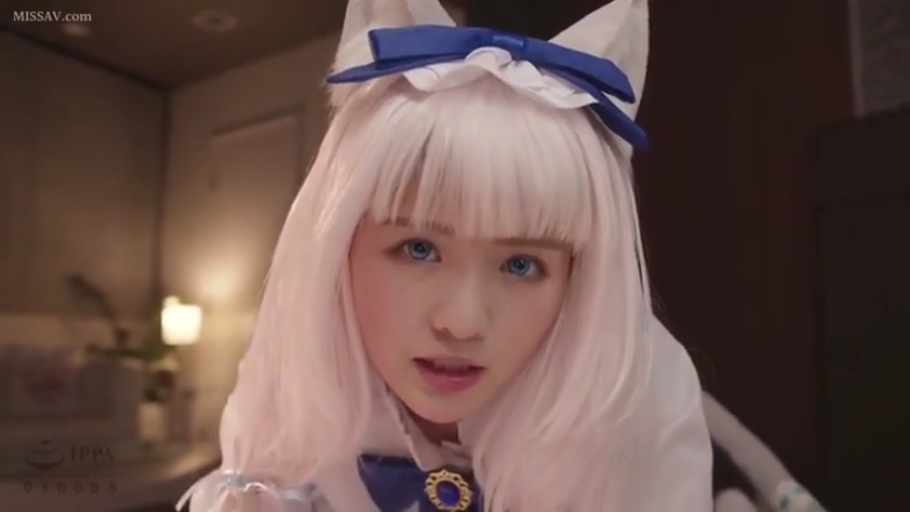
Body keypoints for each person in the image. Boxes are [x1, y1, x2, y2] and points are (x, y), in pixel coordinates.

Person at [178, 0, 712, 510]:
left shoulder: (646, 395)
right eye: (419, 249)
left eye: (521, 265)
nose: (461, 322)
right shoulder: (290, 365)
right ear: (340, 244)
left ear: (580, 276)